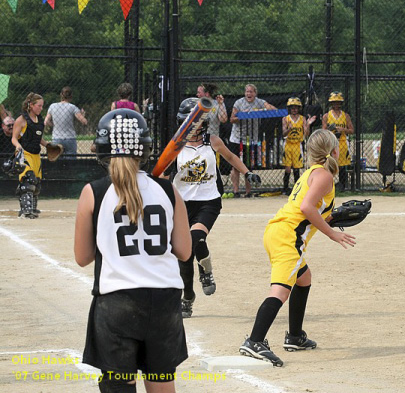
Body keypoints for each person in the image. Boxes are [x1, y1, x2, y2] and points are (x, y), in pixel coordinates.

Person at [74, 108, 192, 393]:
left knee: (118, 386)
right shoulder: (167, 190)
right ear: (146, 148)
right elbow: (184, 251)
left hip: (117, 302)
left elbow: (83, 257)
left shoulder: (94, 191)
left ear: (102, 150)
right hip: (164, 301)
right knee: (162, 384)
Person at [239, 129, 356, 367]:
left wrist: (334, 217)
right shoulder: (323, 175)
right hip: (287, 237)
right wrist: (332, 233)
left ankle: (295, 336)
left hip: (279, 232)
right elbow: (306, 208)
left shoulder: (313, 172)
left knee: (304, 279)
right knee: (281, 291)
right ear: (334, 151)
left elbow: (312, 209)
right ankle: (254, 341)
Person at [164, 98, 261, 318]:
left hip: (209, 201)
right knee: (184, 254)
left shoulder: (213, 141)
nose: (195, 127)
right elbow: (160, 175)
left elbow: (231, 156)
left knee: (193, 238)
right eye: (191, 123)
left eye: (198, 122)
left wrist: (247, 172)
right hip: (181, 205)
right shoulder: (175, 147)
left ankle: (202, 276)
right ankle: (188, 295)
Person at [229, 84, 277, 197]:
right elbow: (232, 119)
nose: (248, 94)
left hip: (251, 139)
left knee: (248, 166)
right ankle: (236, 191)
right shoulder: (239, 103)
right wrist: (243, 115)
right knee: (235, 166)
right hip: (237, 138)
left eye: (251, 92)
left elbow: (273, 110)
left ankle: (248, 192)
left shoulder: (259, 102)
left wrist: (260, 110)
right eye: (247, 92)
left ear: (255, 93)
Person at [12, 93, 51, 218]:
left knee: (37, 183)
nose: (41, 108)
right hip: (25, 153)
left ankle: (33, 208)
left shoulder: (39, 120)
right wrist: (18, 147)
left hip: (36, 154)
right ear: (31, 105)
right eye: (39, 106)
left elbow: (37, 137)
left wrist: (48, 145)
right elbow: (14, 138)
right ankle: (25, 210)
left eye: (42, 106)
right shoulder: (21, 120)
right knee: (28, 179)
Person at [281, 97, 316, 195]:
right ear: (289, 108)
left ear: (299, 108)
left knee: (297, 168)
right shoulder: (286, 119)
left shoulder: (302, 119)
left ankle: (297, 188)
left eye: (296, 107)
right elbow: (283, 133)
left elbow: (306, 134)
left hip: (297, 145)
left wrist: (308, 125)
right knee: (287, 168)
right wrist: (289, 129)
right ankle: (285, 188)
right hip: (288, 144)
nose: (294, 109)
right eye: (292, 107)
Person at [321, 91, 354, 191]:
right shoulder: (326, 116)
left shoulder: (345, 116)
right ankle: (328, 184)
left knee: (343, 165)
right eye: (334, 102)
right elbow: (323, 131)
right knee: (330, 164)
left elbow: (352, 130)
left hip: (342, 142)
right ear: (331, 103)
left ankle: (342, 185)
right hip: (331, 142)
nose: (336, 104)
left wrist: (343, 130)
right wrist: (330, 129)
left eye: (338, 102)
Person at [44, 86, 88, 155]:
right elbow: (84, 121)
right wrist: (83, 115)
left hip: (56, 137)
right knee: (70, 162)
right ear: (71, 96)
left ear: (61, 95)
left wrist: (54, 125)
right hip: (69, 138)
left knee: (57, 160)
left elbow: (46, 121)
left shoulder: (52, 106)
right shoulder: (72, 107)